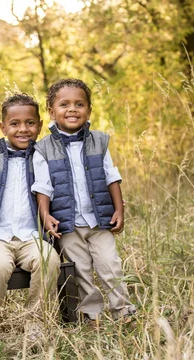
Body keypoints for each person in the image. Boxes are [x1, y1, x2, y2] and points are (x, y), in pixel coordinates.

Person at [32, 78, 136, 322]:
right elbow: (43, 187)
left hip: (99, 219)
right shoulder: (43, 148)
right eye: (64, 104)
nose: (72, 110)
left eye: (79, 104)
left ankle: (123, 311)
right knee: (81, 270)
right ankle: (91, 314)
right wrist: (45, 215)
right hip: (68, 224)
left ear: (89, 110)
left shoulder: (99, 141)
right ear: (51, 111)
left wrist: (119, 209)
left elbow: (112, 176)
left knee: (110, 265)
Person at [0, 93, 61, 330]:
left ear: (40, 125)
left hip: (32, 236)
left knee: (49, 260)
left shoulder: (46, 160)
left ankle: (36, 323)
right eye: (15, 124)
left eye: (30, 123)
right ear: (3, 127)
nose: (23, 129)